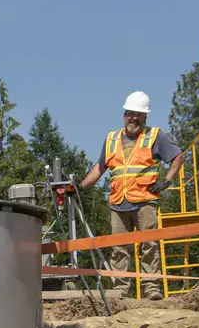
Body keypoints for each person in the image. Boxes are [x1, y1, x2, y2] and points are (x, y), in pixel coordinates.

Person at [76, 93, 185, 296]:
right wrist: (80, 187)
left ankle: (151, 288)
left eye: (138, 114)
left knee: (149, 246)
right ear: (124, 114)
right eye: (129, 114)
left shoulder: (155, 136)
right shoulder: (111, 139)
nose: (133, 118)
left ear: (145, 117)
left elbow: (178, 157)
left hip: (145, 201)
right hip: (119, 202)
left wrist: (167, 181)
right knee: (119, 248)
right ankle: (120, 290)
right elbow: (100, 167)